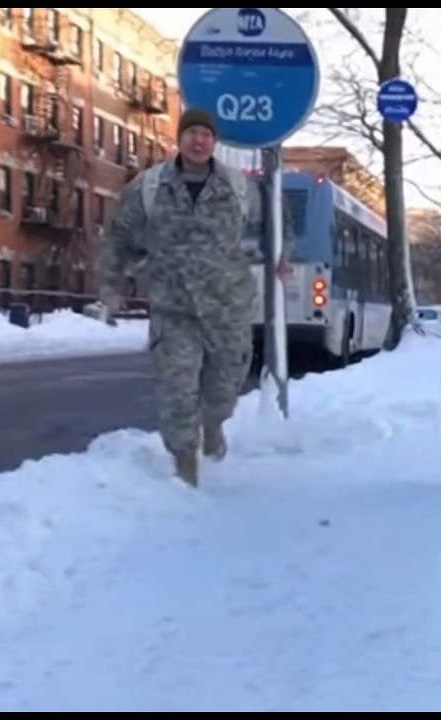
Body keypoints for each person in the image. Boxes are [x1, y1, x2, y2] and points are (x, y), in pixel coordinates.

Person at [95, 108, 279, 486]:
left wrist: (281, 256)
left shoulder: (237, 186)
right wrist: (111, 287)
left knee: (223, 388)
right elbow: (118, 239)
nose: (199, 140)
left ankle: (213, 424)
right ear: (179, 139)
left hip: (227, 308)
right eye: (191, 133)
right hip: (173, 307)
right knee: (176, 389)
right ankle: (185, 467)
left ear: (214, 142)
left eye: (206, 134)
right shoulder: (148, 187)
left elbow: (277, 224)